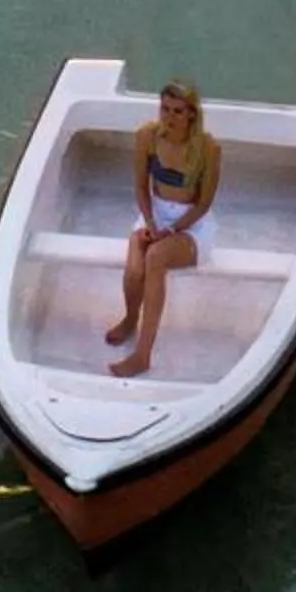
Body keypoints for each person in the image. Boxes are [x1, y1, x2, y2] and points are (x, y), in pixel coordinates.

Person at [107, 78, 219, 376]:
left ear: (191, 113)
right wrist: (150, 222)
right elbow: (140, 187)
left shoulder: (208, 147)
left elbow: (204, 203)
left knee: (155, 257)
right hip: (155, 214)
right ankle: (130, 318)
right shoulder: (147, 136)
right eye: (165, 109)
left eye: (178, 111)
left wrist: (170, 230)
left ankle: (142, 355)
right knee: (135, 266)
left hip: (191, 223)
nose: (169, 117)